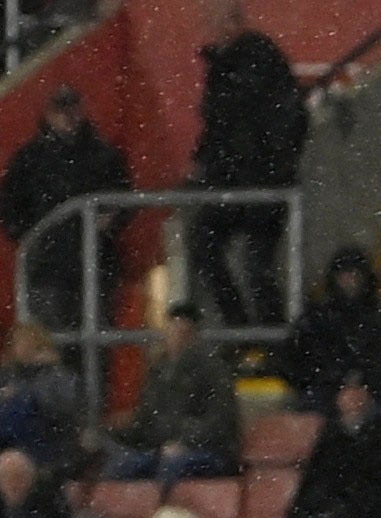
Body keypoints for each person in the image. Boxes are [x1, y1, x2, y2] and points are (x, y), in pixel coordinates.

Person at [188, 3, 303, 326]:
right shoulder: (230, 65)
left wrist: (270, 165)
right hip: (236, 181)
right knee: (213, 249)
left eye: (215, 20)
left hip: (256, 181)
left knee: (254, 265)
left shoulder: (254, 61)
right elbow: (221, 126)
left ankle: (262, 336)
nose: (210, 27)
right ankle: (248, 332)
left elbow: (274, 120)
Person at [0, 86, 134, 330]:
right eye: (61, 110)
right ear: (49, 115)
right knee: (62, 339)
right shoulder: (31, 159)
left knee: (83, 339)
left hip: (92, 262)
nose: (68, 117)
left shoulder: (102, 155)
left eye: (72, 109)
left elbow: (126, 200)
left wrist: (114, 218)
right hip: (56, 266)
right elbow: (7, 206)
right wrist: (34, 236)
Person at [104, 304, 239, 484]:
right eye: (173, 330)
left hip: (210, 451)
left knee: (172, 465)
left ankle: (161, 509)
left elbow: (220, 422)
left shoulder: (213, 371)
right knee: (121, 465)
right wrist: (111, 433)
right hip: (165, 448)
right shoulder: (158, 370)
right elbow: (147, 419)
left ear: (194, 335)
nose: (176, 337)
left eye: (182, 332)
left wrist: (185, 443)